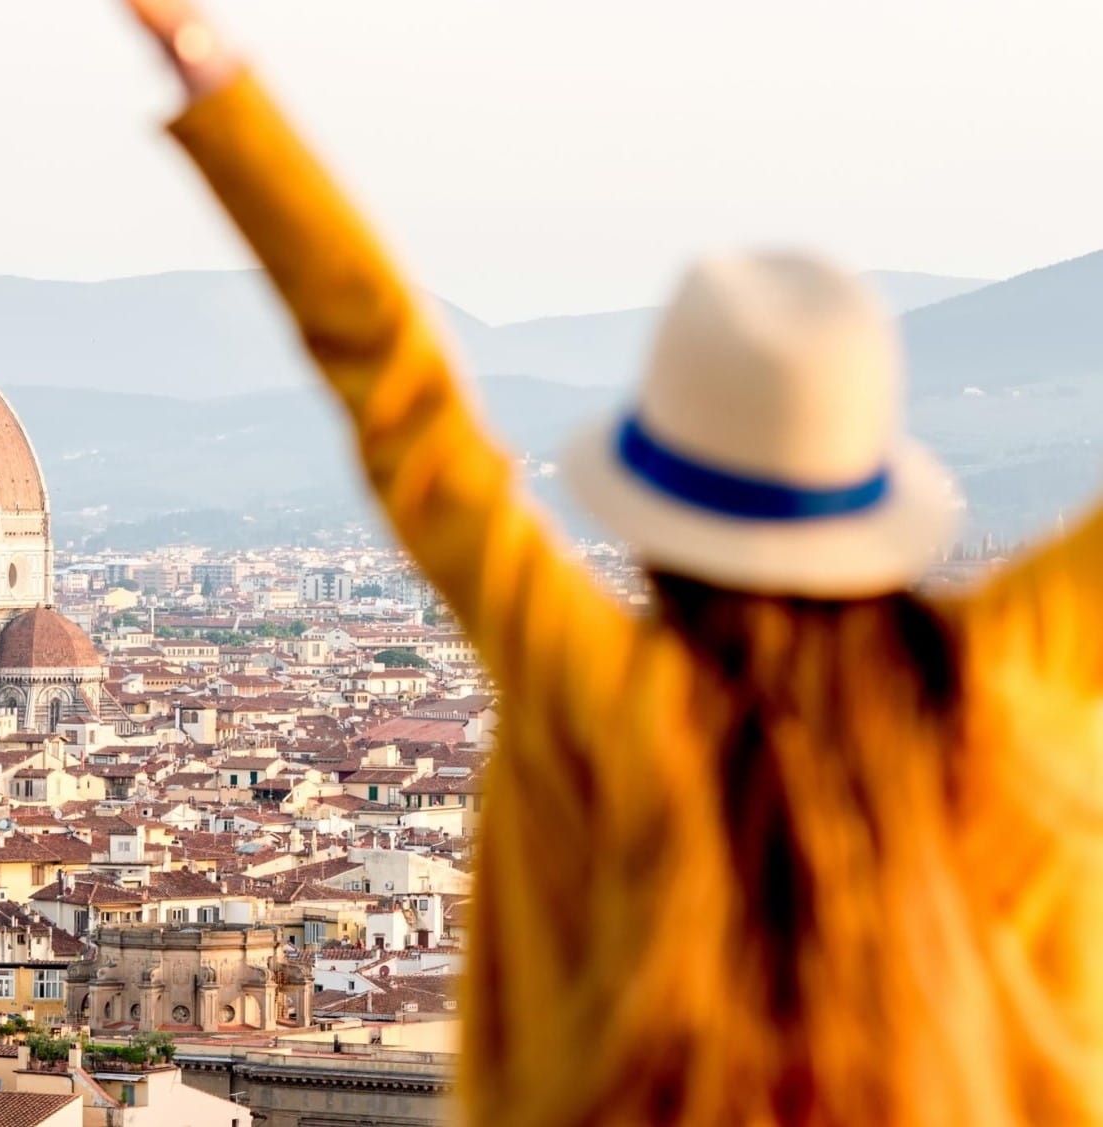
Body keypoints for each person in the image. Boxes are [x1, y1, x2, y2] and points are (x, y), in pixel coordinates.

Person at [117, 3, 1103, 1124]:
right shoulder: (992, 688)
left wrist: (212, 71)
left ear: (660, 499)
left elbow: (402, 397)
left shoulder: (611, 696)